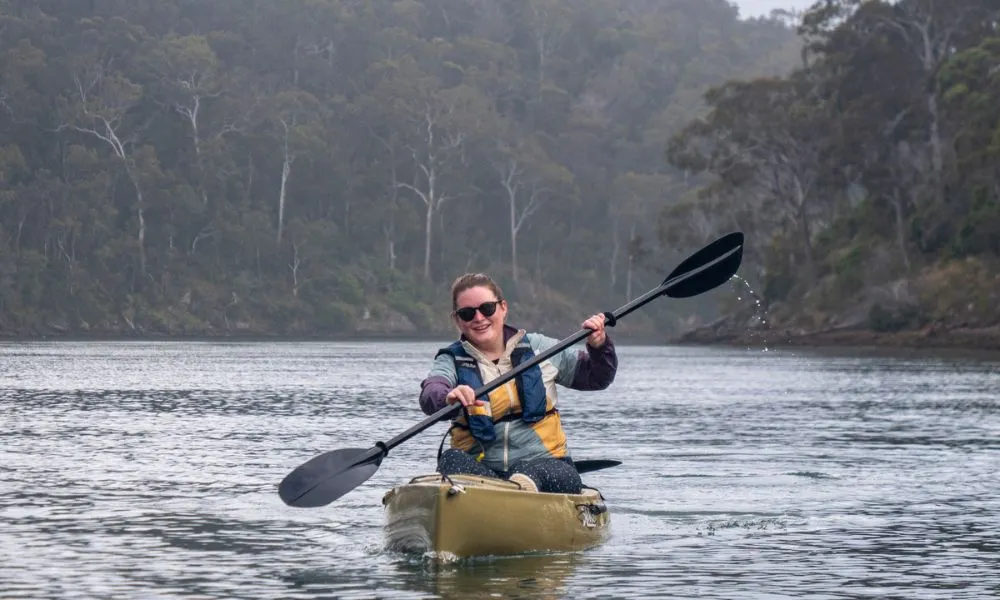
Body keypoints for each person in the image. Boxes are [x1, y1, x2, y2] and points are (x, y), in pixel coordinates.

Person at [418, 272, 618, 494]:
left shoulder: (541, 349)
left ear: (503, 308)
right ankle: (500, 494)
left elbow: (597, 377)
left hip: (543, 466)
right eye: (467, 313)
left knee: (553, 472)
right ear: (457, 319)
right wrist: (447, 397)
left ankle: (520, 489)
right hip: (482, 474)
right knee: (451, 459)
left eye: (487, 308)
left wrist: (599, 346)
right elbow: (431, 392)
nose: (478, 318)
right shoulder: (450, 360)